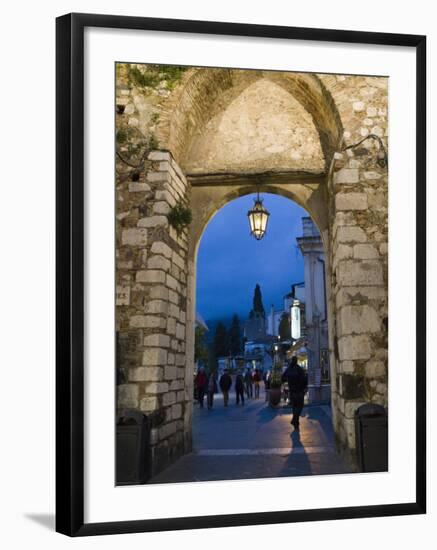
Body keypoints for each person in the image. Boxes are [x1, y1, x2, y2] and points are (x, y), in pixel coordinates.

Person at [282, 356, 308, 429]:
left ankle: (295, 421)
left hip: (292, 391)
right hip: (299, 391)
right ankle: (295, 420)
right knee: (300, 406)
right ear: (296, 361)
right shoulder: (299, 369)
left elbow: (282, 378)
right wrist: (304, 388)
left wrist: (288, 380)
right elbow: (304, 380)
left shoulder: (289, 369)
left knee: (294, 407)